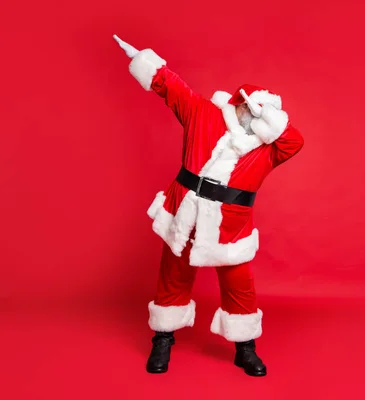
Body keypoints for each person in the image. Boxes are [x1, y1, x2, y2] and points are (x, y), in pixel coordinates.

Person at [113, 34, 304, 377]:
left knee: (239, 286)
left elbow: (295, 142)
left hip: (231, 224)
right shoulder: (203, 113)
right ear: (238, 102)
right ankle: (163, 339)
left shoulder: (269, 148)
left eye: (262, 111)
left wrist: (271, 121)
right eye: (250, 106)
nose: (253, 115)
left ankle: (245, 349)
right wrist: (144, 59)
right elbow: (172, 88)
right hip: (185, 211)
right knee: (173, 275)